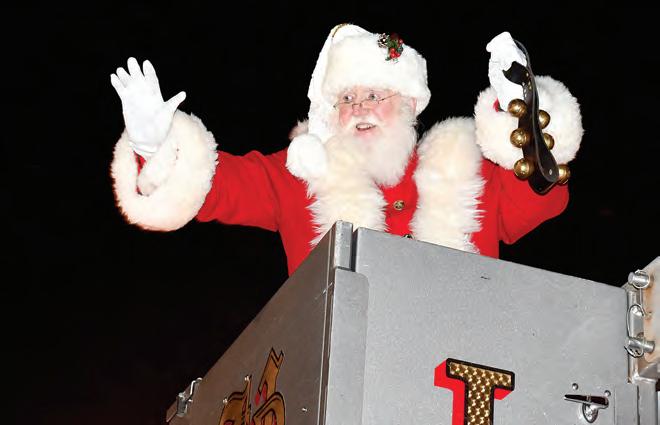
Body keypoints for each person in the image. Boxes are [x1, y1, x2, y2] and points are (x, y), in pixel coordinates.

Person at [110, 24, 583, 275]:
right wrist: (154, 145)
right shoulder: (300, 178)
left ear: (409, 104)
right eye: (347, 99)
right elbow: (214, 185)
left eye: (375, 95)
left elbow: (539, 194)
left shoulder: (467, 169)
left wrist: (524, 112)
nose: (360, 109)